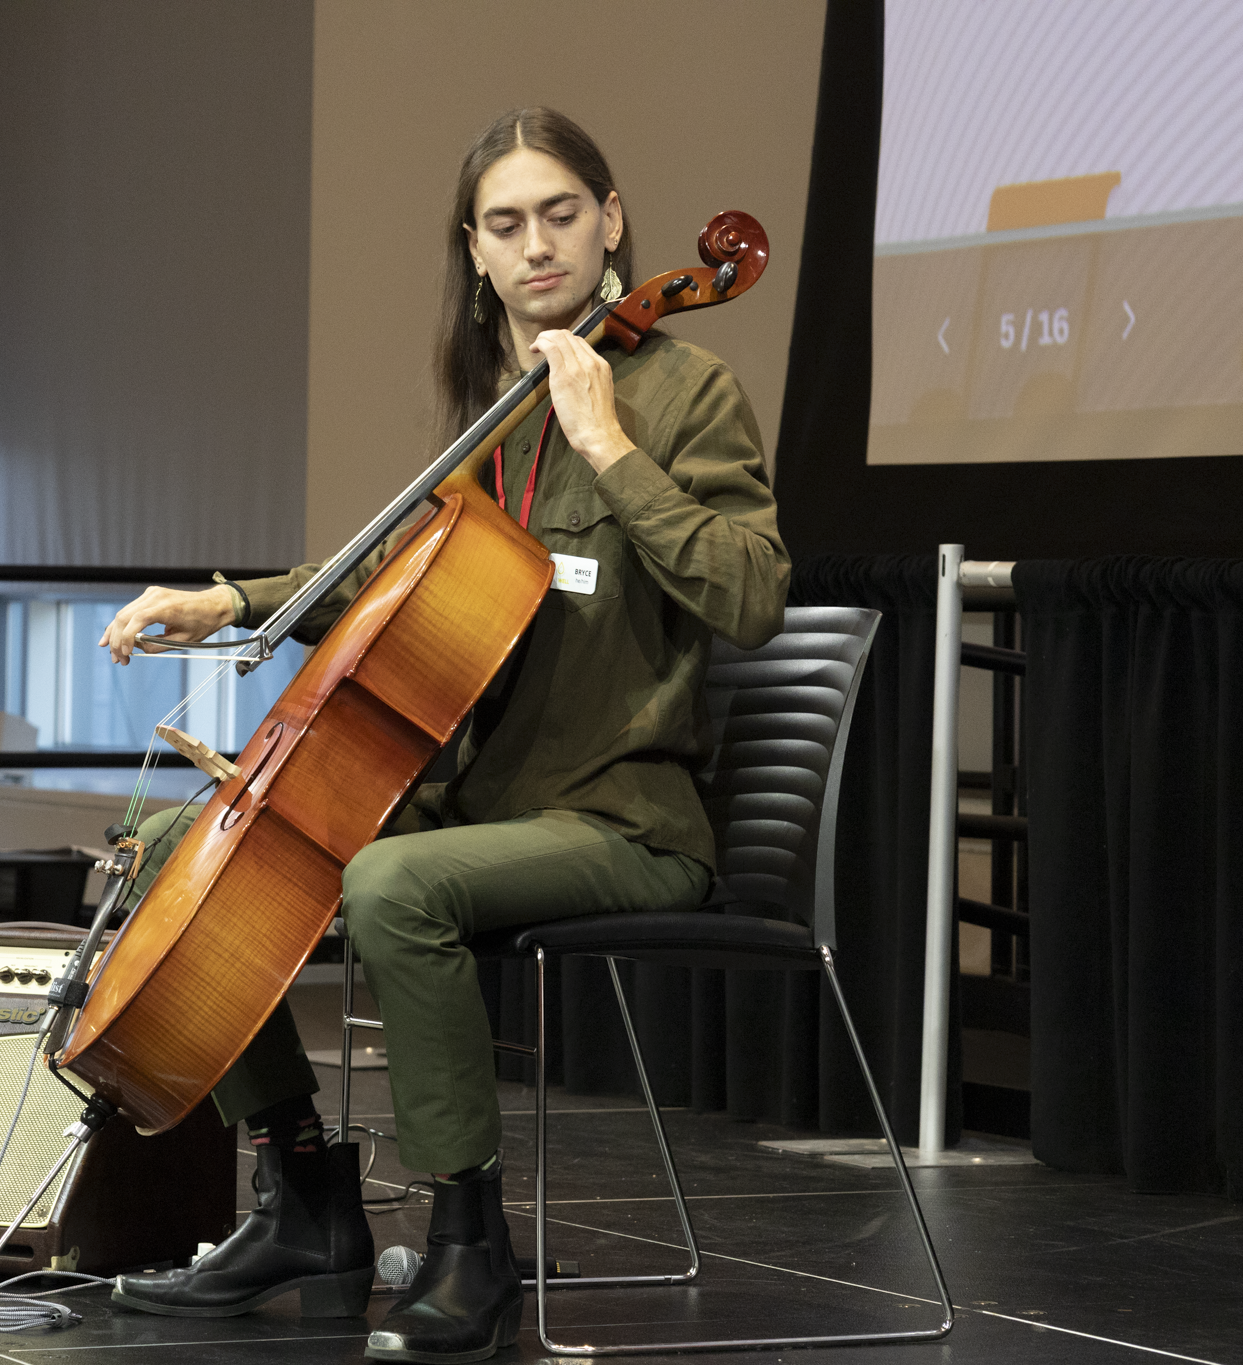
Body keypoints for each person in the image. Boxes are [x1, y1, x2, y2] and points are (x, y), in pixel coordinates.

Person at [97, 107, 790, 1364]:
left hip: (618, 819)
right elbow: (390, 570)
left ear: (611, 219)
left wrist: (609, 446)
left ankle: (472, 1239)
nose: (539, 247)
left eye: (562, 215)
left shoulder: (683, 394)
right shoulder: (491, 413)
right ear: (473, 252)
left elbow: (749, 595)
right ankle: (304, 1199)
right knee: (165, 847)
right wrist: (232, 602)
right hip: (476, 802)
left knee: (390, 881)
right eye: (506, 225)